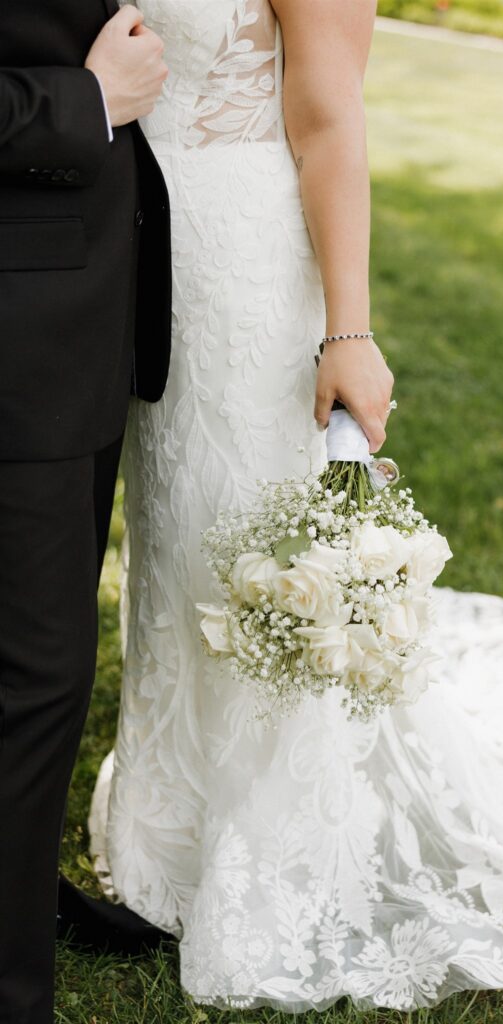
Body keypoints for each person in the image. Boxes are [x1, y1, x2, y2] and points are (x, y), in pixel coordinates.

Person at [89, 0, 503, 1013]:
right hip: (138, 252)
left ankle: (280, 835)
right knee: (175, 535)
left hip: (243, 268)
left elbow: (330, 115)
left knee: (243, 543)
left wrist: (347, 331)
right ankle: (172, 807)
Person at [0, 4, 172, 1021]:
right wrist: (88, 101)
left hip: (75, 314)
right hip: (20, 329)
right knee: (35, 676)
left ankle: (19, 890)